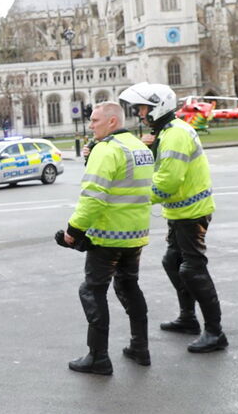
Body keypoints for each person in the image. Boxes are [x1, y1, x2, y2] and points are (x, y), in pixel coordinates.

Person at [119, 83, 228, 353]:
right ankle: (188, 318)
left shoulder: (176, 134)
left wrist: (135, 198)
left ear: (159, 108)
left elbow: (167, 181)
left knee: (192, 269)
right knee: (173, 261)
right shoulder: (167, 132)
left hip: (192, 213)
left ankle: (215, 333)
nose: (141, 114)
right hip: (180, 213)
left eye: (144, 108)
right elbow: (160, 169)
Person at [61, 102, 154, 375]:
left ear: (112, 121)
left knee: (92, 291)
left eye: (95, 120)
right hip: (135, 236)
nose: (91, 125)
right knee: (129, 287)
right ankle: (140, 347)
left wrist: (73, 231)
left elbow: (93, 197)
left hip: (107, 237)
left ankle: (98, 357)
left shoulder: (107, 149)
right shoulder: (139, 148)